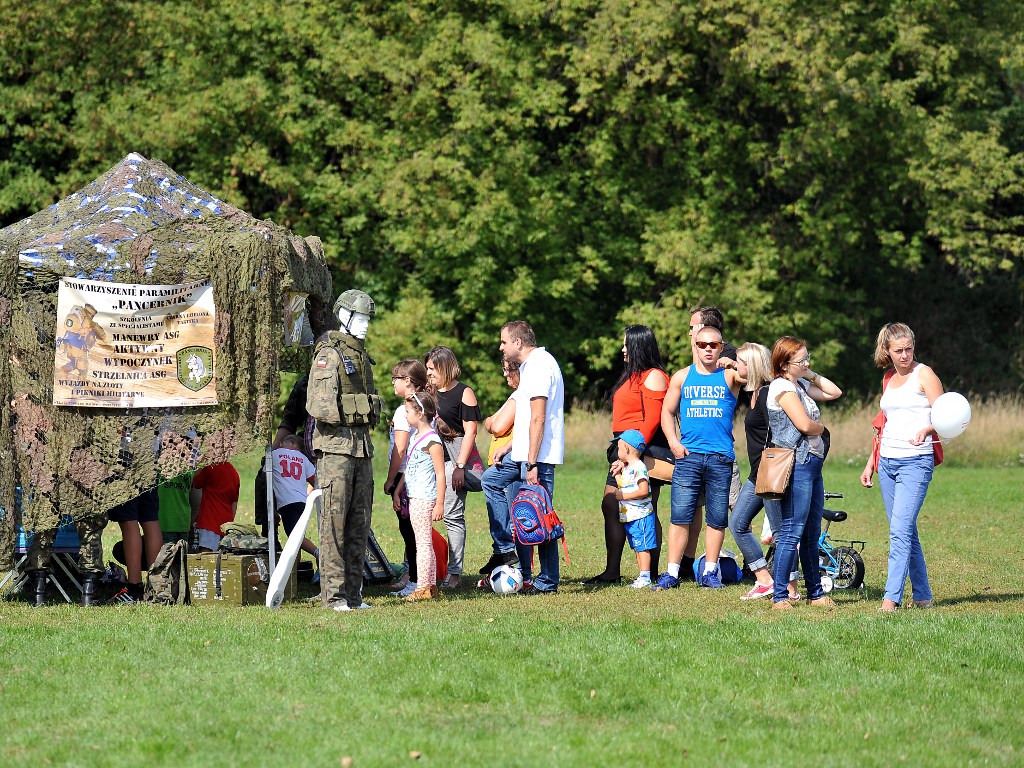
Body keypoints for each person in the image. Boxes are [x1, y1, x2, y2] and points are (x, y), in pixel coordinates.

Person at [305, 289, 383, 612]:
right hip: (336, 450)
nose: (365, 324)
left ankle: (353, 594)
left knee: (359, 524)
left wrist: (365, 408)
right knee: (333, 525)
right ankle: (334, 596)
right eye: (360, 317)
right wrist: (358, 408)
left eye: (367, 319)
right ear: (344, 316)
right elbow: (319, 405)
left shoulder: (361, 357)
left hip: (361, 449)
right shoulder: (329, 355)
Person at [653, 324, 744, 591]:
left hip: (720, 458)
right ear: (695, 346)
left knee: (716, 518)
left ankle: (710, 571)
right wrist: (673, 443)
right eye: (702, 345)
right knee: (680, 516)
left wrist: (735, 363)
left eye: (713, 345)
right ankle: (672, 573)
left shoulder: (729, 376)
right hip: (689, 457)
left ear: (721, 347)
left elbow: (756, 375)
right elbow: (667, 412)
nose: (707, 349)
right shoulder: (682, 376)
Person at [859, 323, 941, 611]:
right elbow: (884, 424)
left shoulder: (925, 374)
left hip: (916, 461)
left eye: (909, 349)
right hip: (887, 462)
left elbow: (947, 416)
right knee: (905, 530)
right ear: (887, 351)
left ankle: (890, 598)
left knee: (899, 531)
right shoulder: (888, 378)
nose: (905, 355)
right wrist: (871, 462)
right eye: (898, 350)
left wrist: (927, 430)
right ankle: (923, 596)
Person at [480, 320, 564, 595]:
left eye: (504, 342)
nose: (501, 347)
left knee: (540, 516)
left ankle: (547, 581)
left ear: (518, 342)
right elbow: (528, 419)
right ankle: (506, 549)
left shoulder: (539, 365)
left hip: (537, 458)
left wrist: (532, 463)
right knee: (490, 480)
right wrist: (510, 447)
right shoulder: (530, 366)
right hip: (521, 454)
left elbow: (539, 417)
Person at [584, 324, 669, 585]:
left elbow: (652, 421)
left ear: (639, 345)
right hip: (623, 448)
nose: (622, 349)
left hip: (642, 449)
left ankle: (649, 572)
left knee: (644, 508)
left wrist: (631, 456)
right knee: (611, 504)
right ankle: (612, 571)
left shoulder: (653, 376)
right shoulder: (630, 375)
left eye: (626, 344)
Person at [766, 336, 843, 610]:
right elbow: (804, 425)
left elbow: (834, 392)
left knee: (811, 532)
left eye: (807, 358)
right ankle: (779, 596)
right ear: (784, 364)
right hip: (797, 464)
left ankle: (815, 593)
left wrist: (809, 373)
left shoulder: (799, 384)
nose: (807, 363)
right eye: (801, 360)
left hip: (812, 464)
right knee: (792, 530)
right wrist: (822, 428)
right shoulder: (782, 386)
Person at [726, 343, 798, 600]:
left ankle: (791, 588)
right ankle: (764, 579)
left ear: (752, 365)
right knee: (738, 523)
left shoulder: (768, 393)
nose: (736, 365)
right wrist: (728, 363)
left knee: (780, 534)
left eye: (740, 362)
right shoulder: (755, 392)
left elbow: (783, 431)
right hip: (757, 474)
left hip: (772, 473)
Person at [425, 346, 484, 589]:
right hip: (433, 457)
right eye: (427, 368)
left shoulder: (464, 392)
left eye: (432, 368)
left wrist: (460, 465)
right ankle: (418, 570)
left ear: (445, 367)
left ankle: (454, 573)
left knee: (452, 516)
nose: (429, 373)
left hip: (457, 458)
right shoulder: (428, 391)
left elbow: (471, 431)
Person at [481, 358, 535, 587]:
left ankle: (521, 571)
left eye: (507, 370)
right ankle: (514, 566)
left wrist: (491, 421)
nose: (505, 374)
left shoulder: (519, 396)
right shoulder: (518, 395)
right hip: (512, 454)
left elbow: (496, 425)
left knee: (518, 520)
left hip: (518, 459)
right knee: (517, 518)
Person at [382, 359, 430, 598]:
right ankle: (421, 579)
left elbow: (400, 449)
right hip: (419, 474)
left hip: (405, 475)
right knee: (417, 531)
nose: (393, 383)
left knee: (410, 531)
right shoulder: (426, 404)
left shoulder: (405, 411)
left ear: (408, 381)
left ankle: (415, 580)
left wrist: (391, 479)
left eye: (396, 378)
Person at [400, 392, 447, 601]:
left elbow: (440, 474)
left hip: (424, 498)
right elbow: (409, 467)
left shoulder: (432, 441)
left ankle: (422, 588)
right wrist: (398, 490)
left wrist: (439, 503)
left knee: (423, 544)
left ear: (419, 414)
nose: (405, 415)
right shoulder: (415, 437)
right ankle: (430, 586)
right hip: (414, 497)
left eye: (408, 411)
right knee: (423, 542)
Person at [609, 430, 657, 589]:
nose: (617, 451)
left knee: (643, 548)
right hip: (631, 516)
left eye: (619, 448)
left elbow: (644, 491)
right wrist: (617, 473)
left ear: (627, 449)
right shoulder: (628, 468)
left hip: (641, 516)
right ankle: (642, 576)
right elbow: (623, 486)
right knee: (637, 546)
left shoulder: (639, 468)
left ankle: (645, 577)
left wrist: (624, 496)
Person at [271, 434, 319, 570]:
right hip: (303, 502)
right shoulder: (303, 458)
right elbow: (316, 481)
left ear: (282, 443)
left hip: (287, 503)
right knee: (297, 536)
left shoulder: (274, 454)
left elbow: (264, 477)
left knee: (294, 537)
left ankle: (319, 553)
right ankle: (295, 571)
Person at [107, 488, 163, 603]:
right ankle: (157, 586)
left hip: (125, 479)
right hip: (149, 477)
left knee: (128, 519)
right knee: (150, 518)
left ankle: (134, 587)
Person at [192, 461, 240, 552]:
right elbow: (234, 503)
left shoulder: (210, 467)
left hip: (209, 522)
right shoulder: (234, 473)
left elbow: (195, 483)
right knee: (221, 559)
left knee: (206, 557)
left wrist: (201, 465)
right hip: (225, 524)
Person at [157, 470, 197, 545]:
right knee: (181, 552)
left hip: (167, 521)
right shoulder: (190, 469)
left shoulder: (160, 467)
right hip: (182, 521)